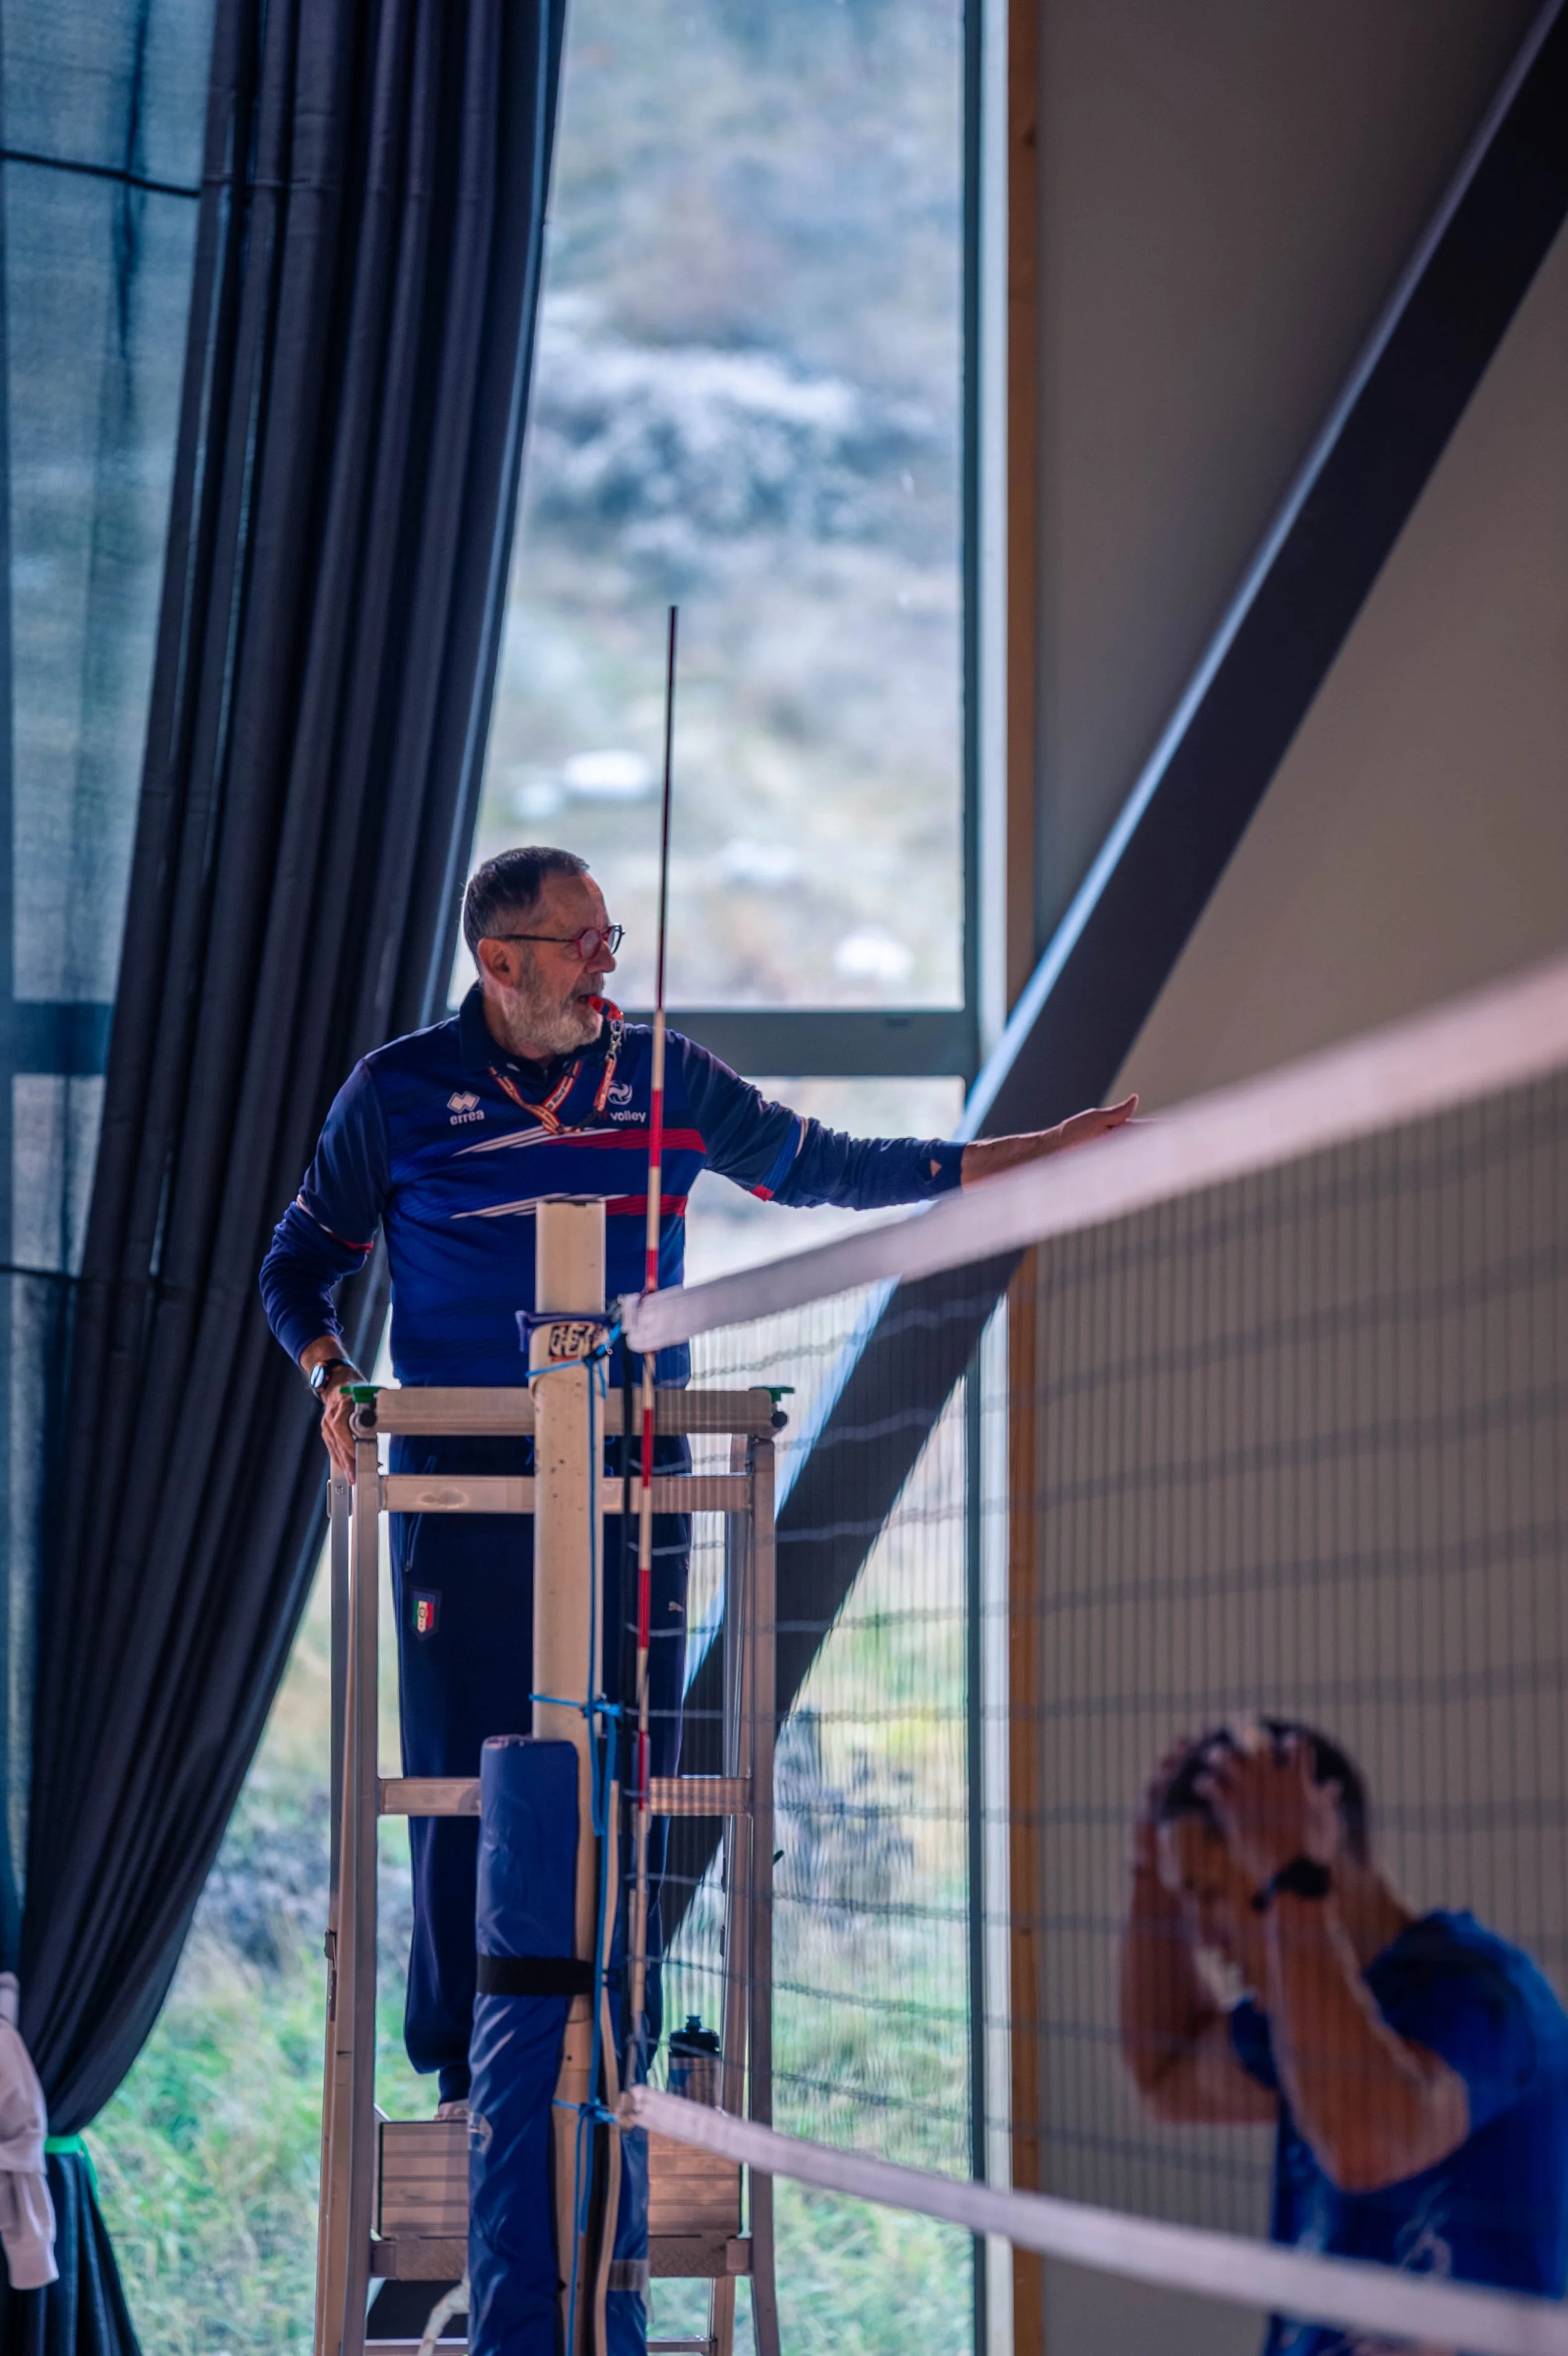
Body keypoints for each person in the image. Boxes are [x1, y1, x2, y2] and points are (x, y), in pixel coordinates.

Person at [261, 844, 1135, 2117]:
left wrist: (1026, 1154)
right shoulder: (394, 1094)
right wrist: (334, 1377)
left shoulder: (664, 1075)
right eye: (581, 940)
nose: (608, 960)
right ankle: (461, 2073)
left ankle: (617, 2045)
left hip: (632, 1478)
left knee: (630, 1767)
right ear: (499, 964)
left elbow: (825, 1164)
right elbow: (298, 1267)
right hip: (459, 1483)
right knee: (463, 1772)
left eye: (611, 933)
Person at [1120, 1719, 1568, 2353]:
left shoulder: (1486, 1996)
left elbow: (1365, 2144)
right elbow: (1167, 2074)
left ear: (1311, 1847)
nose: (1204, 1941)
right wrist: (1147, 1877)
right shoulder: (1298, 2003)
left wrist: (1294, 1879)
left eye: (1211, 1897)